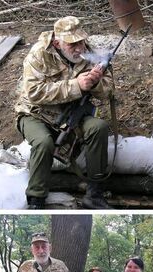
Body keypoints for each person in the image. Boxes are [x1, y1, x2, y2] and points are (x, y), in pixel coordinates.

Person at [15, 16, 114, 209]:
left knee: (98, 128)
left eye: (81, 42)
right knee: (44, 142)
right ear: (57, 43)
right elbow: (35, 93)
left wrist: (95, 83)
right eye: (72, 45)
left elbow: (109, 91)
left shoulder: (90, 53)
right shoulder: (38, 54)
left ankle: (94, 195)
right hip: (35, 113)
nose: (79, 49)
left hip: (71, 114)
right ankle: (36, 199)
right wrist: (76, 85)